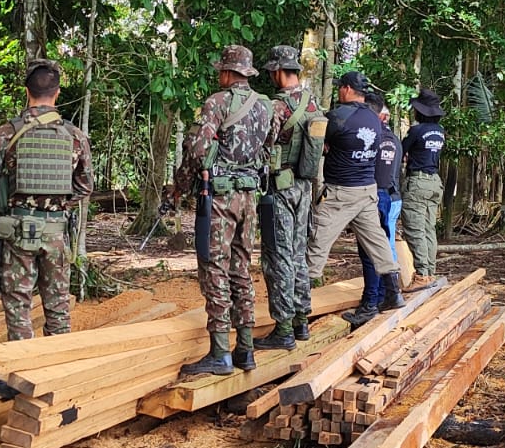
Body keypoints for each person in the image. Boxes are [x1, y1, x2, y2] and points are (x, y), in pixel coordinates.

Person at [167, 45, 275, 377]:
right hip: (249, 198)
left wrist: (179, 186)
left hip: (220, 198)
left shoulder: (217, 102)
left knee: (214, 268)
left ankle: (219, 353)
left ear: (228, 73)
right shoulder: (266, 106)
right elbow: (268, 149)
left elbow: (198, 150)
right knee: (241, 268)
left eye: (221, 72)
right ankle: (246, 348)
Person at [0, 59, 93, 341]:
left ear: (26, 90)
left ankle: (22, 363)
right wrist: (59, 205)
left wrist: (3, 214)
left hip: (17, 230)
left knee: (18, 305)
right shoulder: (75, 136)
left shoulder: (6, 133)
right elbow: (85, 186)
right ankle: (55, 363)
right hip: (56, 232)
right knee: (58, 305)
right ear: (57, 92)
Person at [305, 71, 401, 327]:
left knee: (317, 243)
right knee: (377, 241)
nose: (339, 91)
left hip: (340, 193)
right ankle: (393, 293)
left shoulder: (337, 117)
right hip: (367, 190)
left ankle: (299, 309)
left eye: (340, 88)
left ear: (347, 89)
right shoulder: (374, 118)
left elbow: (317, 144)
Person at [254, 45, 322, 352]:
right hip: (304, 188)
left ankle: (283, 329)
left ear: (279, 72)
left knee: (277, 256)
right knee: (297, 254)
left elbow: (263, 146)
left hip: (280, 188)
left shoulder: (277, 107)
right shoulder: (313, 103)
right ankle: (301, 321)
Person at [346, 91, 405, 322]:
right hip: (388, 195)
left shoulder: (371, 138)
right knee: (382, 249)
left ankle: (370, 302)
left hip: (372, 195)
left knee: (370, 252)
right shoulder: (393, 139)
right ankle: (384, 295)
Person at [401, 89, 446, 286]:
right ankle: (430, 271)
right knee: (429, 228)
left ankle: (421, 274)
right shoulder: (440, 131)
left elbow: (401, 150)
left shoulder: (416, 131)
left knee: (415, 228)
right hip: (435, 181)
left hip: (418, 181)